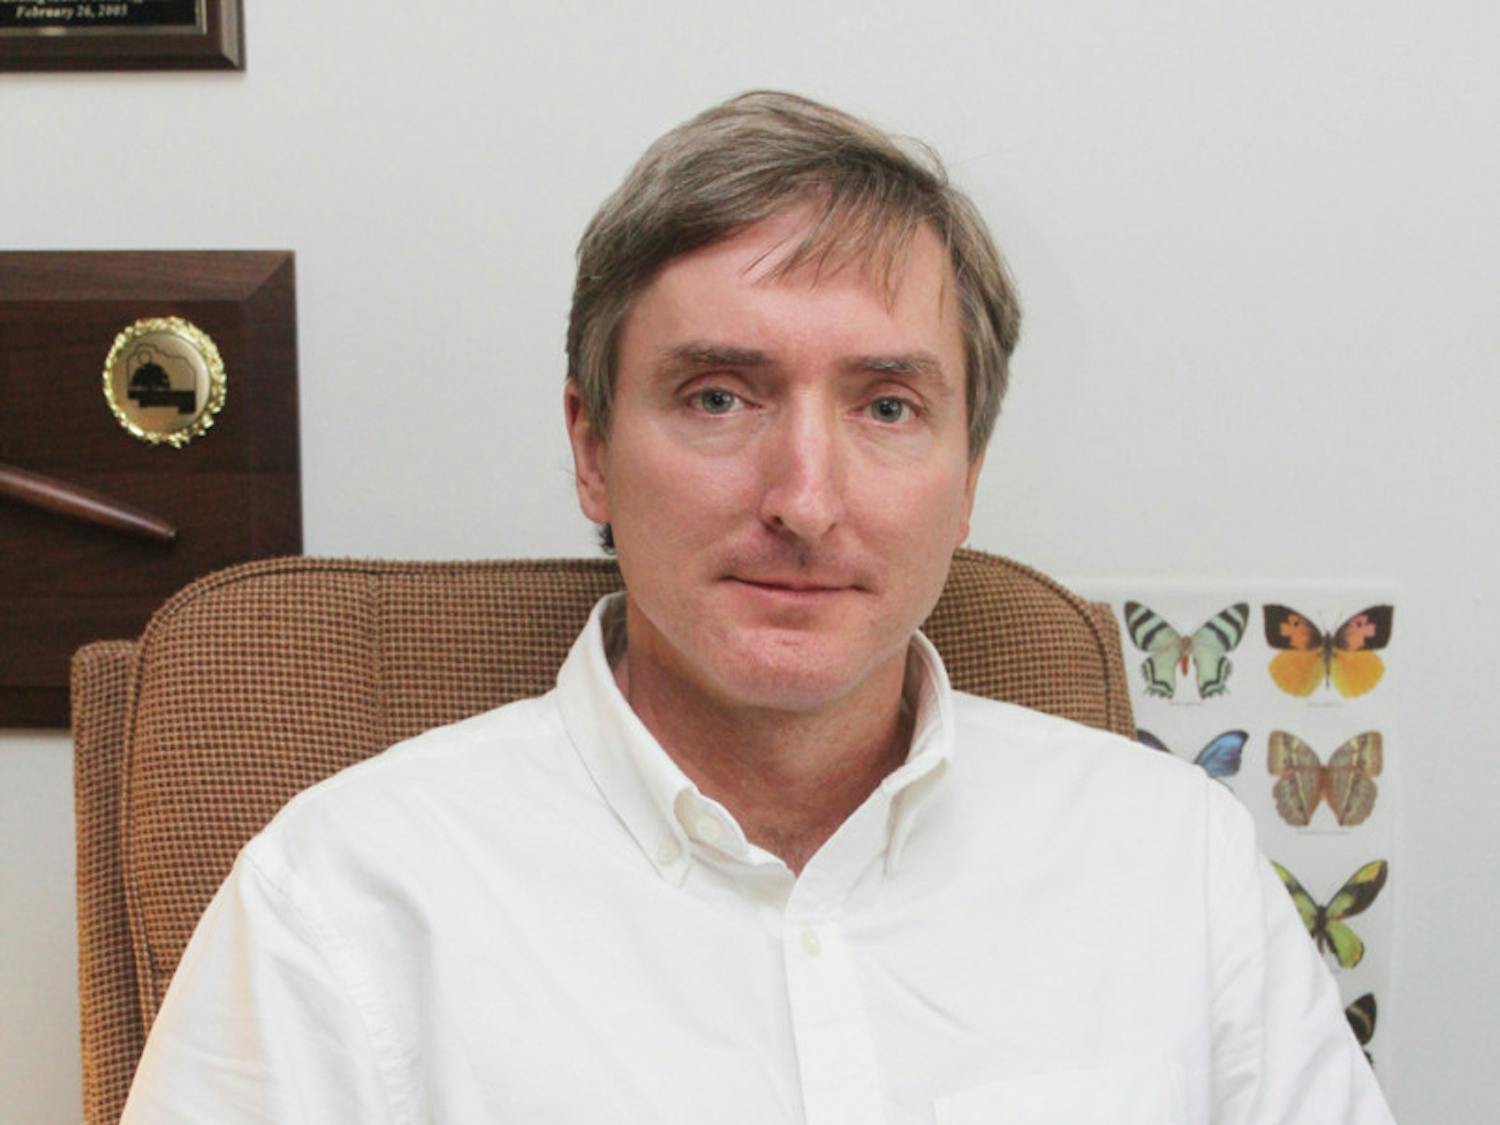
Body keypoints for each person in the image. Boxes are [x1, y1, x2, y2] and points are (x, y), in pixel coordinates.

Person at [121, 92, 1396, 1124]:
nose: (805, 500)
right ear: (591, 449)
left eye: (887, 406)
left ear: (967, 478)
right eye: (720, 397)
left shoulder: (1175, 865)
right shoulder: (342, 901)